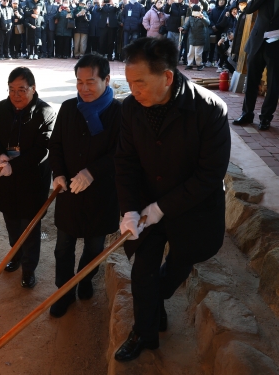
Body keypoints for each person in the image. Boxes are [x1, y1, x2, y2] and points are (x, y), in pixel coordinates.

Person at [114, 37, 230, 362]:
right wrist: (128, 210)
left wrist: (161, 208)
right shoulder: (131, 108)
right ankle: (144, 333)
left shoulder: (209, 110)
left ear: (166, 77)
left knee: (178, 266)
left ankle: (154, 303)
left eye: (140, 83)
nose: (133, 90)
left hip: (192, 209)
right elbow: (125, 161)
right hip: (146, 202)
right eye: (129, 83)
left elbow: (208, 176)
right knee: (142, 273)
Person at [47, 53, 121, 317]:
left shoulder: (118, 112)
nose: (84, 88)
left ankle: (86, 279)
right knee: (63, 246)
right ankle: (63, 291)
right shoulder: (68, 108)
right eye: (79, 82)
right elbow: (55, 146)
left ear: (106, 80)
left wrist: (93, 172)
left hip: (101, 195)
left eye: (91, 82)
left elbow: (121, 154)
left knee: (94, 247)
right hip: (69, 192)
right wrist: (57, 174)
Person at [0, 67, 55, 288]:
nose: (16, 95)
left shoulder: (45, 112)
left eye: (22, 90)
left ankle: (28, 268)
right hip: (6, 177)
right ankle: (15, 256)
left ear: (33, 89)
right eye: (12, 89)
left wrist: (13, 167)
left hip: (32, 180)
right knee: (12, 223)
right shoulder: (1, 108)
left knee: (29, 226)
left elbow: (41, 150)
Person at [232, 0, 279, 131]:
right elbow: (248, 9)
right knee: (251, 80)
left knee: (273, 85)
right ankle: (247, 114)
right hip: (257, 42)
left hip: (276, 46)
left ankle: (266, 117)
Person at [179, 4, 209, 71]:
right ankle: (189, 64)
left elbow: (208, 23)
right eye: (194, 11)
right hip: (192, 38)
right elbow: (186, 25)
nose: (195, 12)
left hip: (200, 38)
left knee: (198, 53)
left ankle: (199, 65)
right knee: (190, 53)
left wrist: (202, 18)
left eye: (197, 11)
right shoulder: (190, 18)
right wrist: (183, 28)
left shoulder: (203, 16)